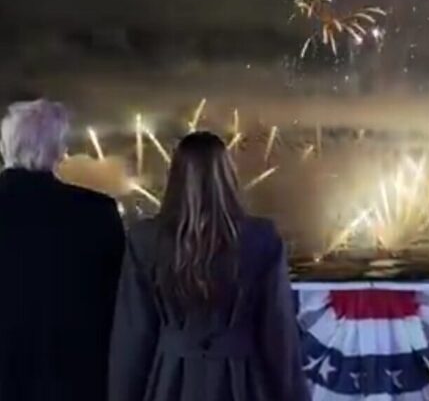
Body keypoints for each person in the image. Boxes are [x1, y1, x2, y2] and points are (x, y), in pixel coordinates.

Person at [109, 131, 310, 401]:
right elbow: (278, 335)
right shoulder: (260, 237)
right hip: (243, 381)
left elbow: (134, 337)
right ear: (228, 175)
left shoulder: (145, 239)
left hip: (171, 382)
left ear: (176, 176)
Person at [0, 99, 125, 401]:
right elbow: (118, 305)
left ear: (5, 146)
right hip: (74, 379)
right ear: (58, 151)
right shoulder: (97, 213)